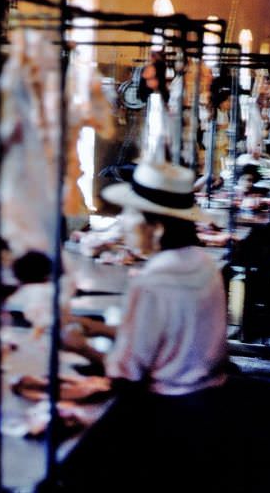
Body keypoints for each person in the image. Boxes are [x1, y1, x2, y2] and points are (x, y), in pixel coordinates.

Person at [57, 161, 229, 492]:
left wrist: (77, 345)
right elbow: (169, 337)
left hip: (168, 414)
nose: (124, 223)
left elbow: (126, 372)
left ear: (158, 228)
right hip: (211, 401)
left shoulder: (151, 283)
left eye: (131, 214)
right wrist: (93, 328)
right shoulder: (203, 262)